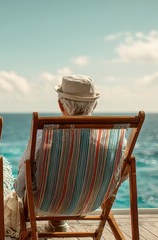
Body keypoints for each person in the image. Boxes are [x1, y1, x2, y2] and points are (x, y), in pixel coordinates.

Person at [14, 74, 100, 232]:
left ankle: (56, 220)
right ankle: (58, 223)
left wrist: (19, 190)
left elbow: (24, 175)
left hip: (47, 204)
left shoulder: (45, 136)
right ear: (94, 106)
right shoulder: (109, 140)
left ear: (61, 105)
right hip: (90, 203)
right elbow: (120, 173)